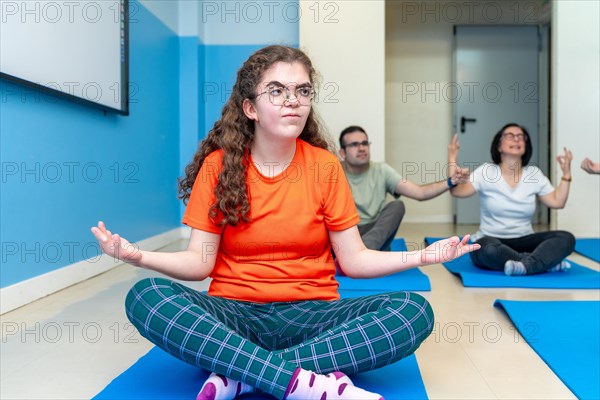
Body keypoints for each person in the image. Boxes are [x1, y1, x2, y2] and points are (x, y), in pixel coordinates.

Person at [91, 45, 479, 400]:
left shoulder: (325, 166)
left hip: (312, 313)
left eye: (303, 91)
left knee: (413, 312)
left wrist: (422, 257)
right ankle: (302, 381)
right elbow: (199, 264)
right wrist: (136, 256)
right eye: (276, 91)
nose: (293, 100)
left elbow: (355, 260)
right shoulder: (218, 167)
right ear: (250, 108)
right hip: (234, 313)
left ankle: (241, 374)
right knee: (146, 297)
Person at [448, 124, 575, 276]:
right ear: (499, 146)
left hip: (525, 241)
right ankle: (540, 263)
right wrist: (452, 157)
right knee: (486, 250)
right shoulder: (486, 171)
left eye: (521, 137)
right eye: (510, 136)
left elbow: (557, 202)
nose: (516, 139)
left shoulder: (533, 174)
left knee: (566, 238)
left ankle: (525, 265)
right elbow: (457, 191)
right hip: (492, 240)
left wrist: (566, 173)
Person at [339, 126, 468, 251]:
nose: (361, 148)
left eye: (365, 143)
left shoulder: (381, 170)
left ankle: (363, 252)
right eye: (354, 145)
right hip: (347, 230)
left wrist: (451, 181)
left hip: (375, 231)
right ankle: (361, 253)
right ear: (343, 152)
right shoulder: (334, 172)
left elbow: (420, 193)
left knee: (397, 206)